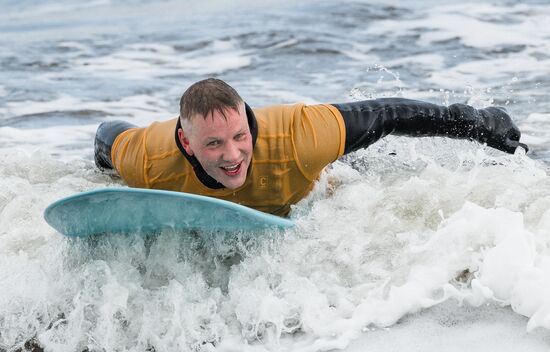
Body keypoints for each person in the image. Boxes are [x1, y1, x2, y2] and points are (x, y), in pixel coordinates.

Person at [95, 78, 528, 216]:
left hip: (311, 186)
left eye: (240, 136)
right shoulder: (148, 159)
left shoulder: (299, 135)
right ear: (186, 143)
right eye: (213, 144)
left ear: (250, 124)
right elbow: (106, 135)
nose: (232, 155)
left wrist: (480, 124)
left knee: (361, 169)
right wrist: (99, 167)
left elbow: (388, 114)